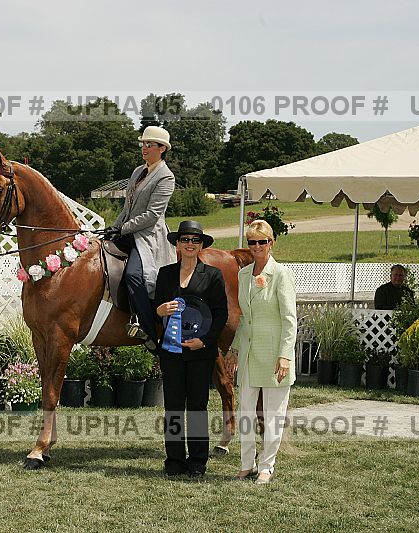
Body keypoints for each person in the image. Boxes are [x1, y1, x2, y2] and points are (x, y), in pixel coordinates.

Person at [153, 220, 228, 477]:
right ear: (177, 244)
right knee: (173, 407)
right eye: (185, 239)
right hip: (171, 351)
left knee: (197, 406)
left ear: (201, 245)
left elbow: (221, 314)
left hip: (200, 352)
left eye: (195, 240)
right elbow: (156, 310)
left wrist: (204, 341)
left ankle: (197, 460)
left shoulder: (213, 275)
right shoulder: (165, 274)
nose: (189, 244)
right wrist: (160, 310)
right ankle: (174, 459)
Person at [226, 220, 296, 484]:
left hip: (275, 356)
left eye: (262, 241)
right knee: (245, 412)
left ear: (271, 243)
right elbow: (245, 319)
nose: (257, 246)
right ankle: (247, 464)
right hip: (248, 355)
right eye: (252, 242)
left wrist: (285, 355)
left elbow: (290, 320)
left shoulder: (282, 274)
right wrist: (234, 349)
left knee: (273, 415)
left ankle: (267, 466)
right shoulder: (243, 275)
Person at [107, 126, 176, 350]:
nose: (144, 148)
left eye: (149, 144)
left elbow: (152, 215)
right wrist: (114, 227)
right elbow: (127, 208)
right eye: (143, 144)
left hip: (147, 236)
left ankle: (148, 330)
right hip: (127, 231)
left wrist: (124, 229)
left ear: (162, 149)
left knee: (134, 275)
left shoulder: (166, 176)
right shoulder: (138, 171)